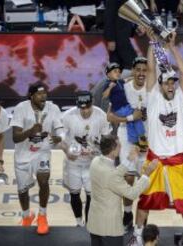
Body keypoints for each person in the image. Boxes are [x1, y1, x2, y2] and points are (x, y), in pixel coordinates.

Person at [129, 31, 183, 246]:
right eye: (167, 83)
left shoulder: (181, 97)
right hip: (155, 158)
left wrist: (172, 46)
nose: (171, 85)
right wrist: (152, 42)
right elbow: (151, 69)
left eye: (173, 83)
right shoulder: (153, 98)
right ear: (160, 85)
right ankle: (138, 236)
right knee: (145, 200)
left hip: (177, 158)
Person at [10, 82, 63, 235]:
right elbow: (15, 137)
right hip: (23, 154)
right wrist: (31, 131)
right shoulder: (21, 108)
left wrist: (59, 137)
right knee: (22, 190)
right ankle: (27, 216)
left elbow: (60, 130)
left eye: (45, 93)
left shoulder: (53, 108)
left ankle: (42, 215)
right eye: (39, 94)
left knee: (44, 181)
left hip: (42, 152)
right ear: (31, 96)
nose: (43, 96)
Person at [87, 134, 158, 246]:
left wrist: (129, 159)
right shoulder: (111, 175)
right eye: (119, 145)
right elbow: (132, 193)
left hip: (95, 224)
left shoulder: (95, 161)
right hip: (109, 229)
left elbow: (114, 174)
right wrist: (147, 173)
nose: (121, 147)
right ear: (113, 150)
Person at [107, 56, 148, 232]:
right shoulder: (123, 87)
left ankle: (143, 217)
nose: (140, 73)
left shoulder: (152, 88)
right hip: (126, 133)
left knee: (146, 177)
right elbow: (109, 116)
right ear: (133, 70)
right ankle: (128, 214)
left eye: (144, 70)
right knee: (128, 176)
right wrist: (131, 117)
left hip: (147, 135)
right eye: (137, 69)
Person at [61, 91, 111, 227]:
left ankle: (89, 224)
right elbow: (58, 139)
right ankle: (78, 221)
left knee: (91, 195)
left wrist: (98, 147)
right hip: (73, 162)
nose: (84, 111)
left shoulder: (101, 116)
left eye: (87, 107)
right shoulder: (68, 116)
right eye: (81, 108)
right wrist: (67, 151)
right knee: (74, 193)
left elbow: (107, 139)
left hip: (93, 162)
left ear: (92, 103)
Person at [103, 62, 147, 148]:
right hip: (120, 109)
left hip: (125, 107)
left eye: (118, 71)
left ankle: (134, 141)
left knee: (130, 122)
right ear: (108, 74)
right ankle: (141, 138)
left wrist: (135, 77)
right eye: (115, 71)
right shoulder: (108, 84)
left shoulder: (120, 81)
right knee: (136, 116)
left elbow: (126, 80)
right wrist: (110, 87)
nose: (118, 73)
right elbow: (109, 116)